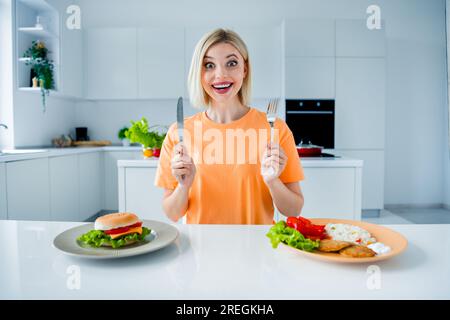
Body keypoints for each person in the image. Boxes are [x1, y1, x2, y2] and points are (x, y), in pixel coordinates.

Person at [154, 28, 305, 224]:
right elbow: (172, 214)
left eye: (231, 63)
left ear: (245, 69)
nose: (221, 74)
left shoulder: (274, 129)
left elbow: (293, 210)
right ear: (198, 73)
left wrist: (273, 181)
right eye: (209, 65)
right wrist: (183, 187)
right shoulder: (180, 132)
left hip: (258, 250)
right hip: (201, 251)